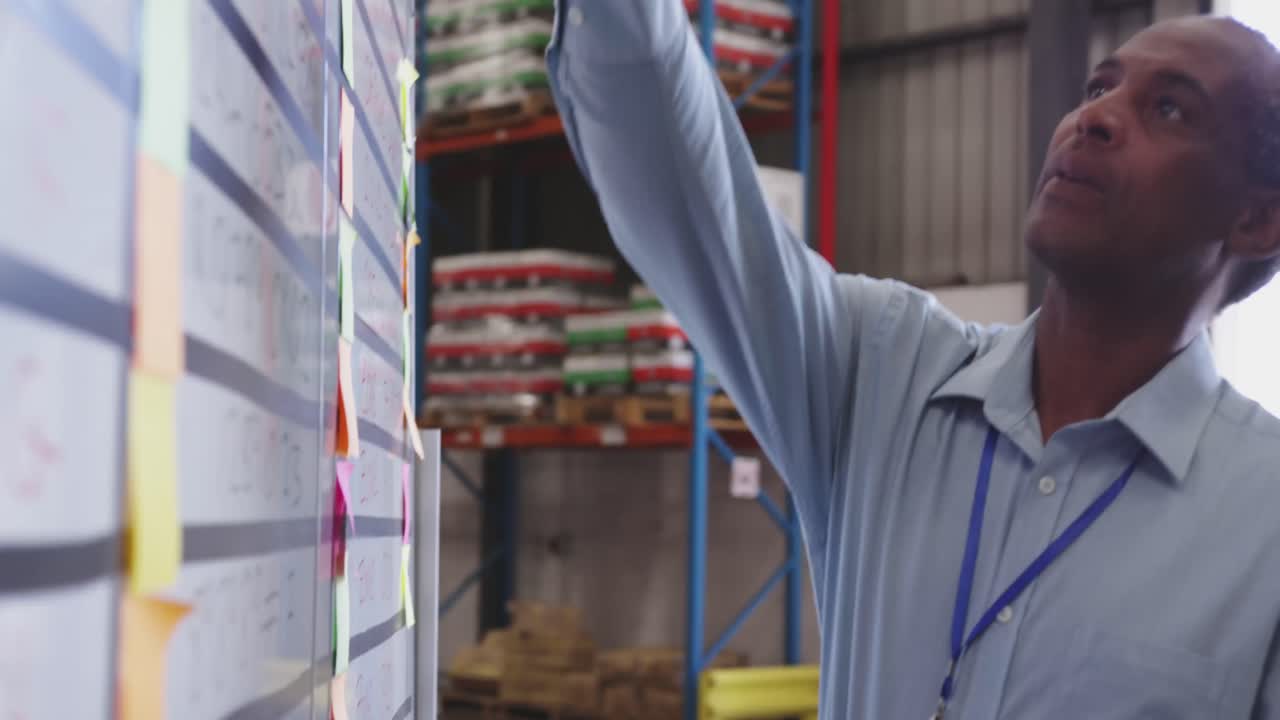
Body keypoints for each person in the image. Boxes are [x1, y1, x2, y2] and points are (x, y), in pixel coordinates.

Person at [546, 2, 1280, 718]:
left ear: (1256, 218)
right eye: (1098, 87)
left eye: (1170, 110)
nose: (1094, 116)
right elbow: (682, 183)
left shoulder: (1262, 522)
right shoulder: (881, 374)